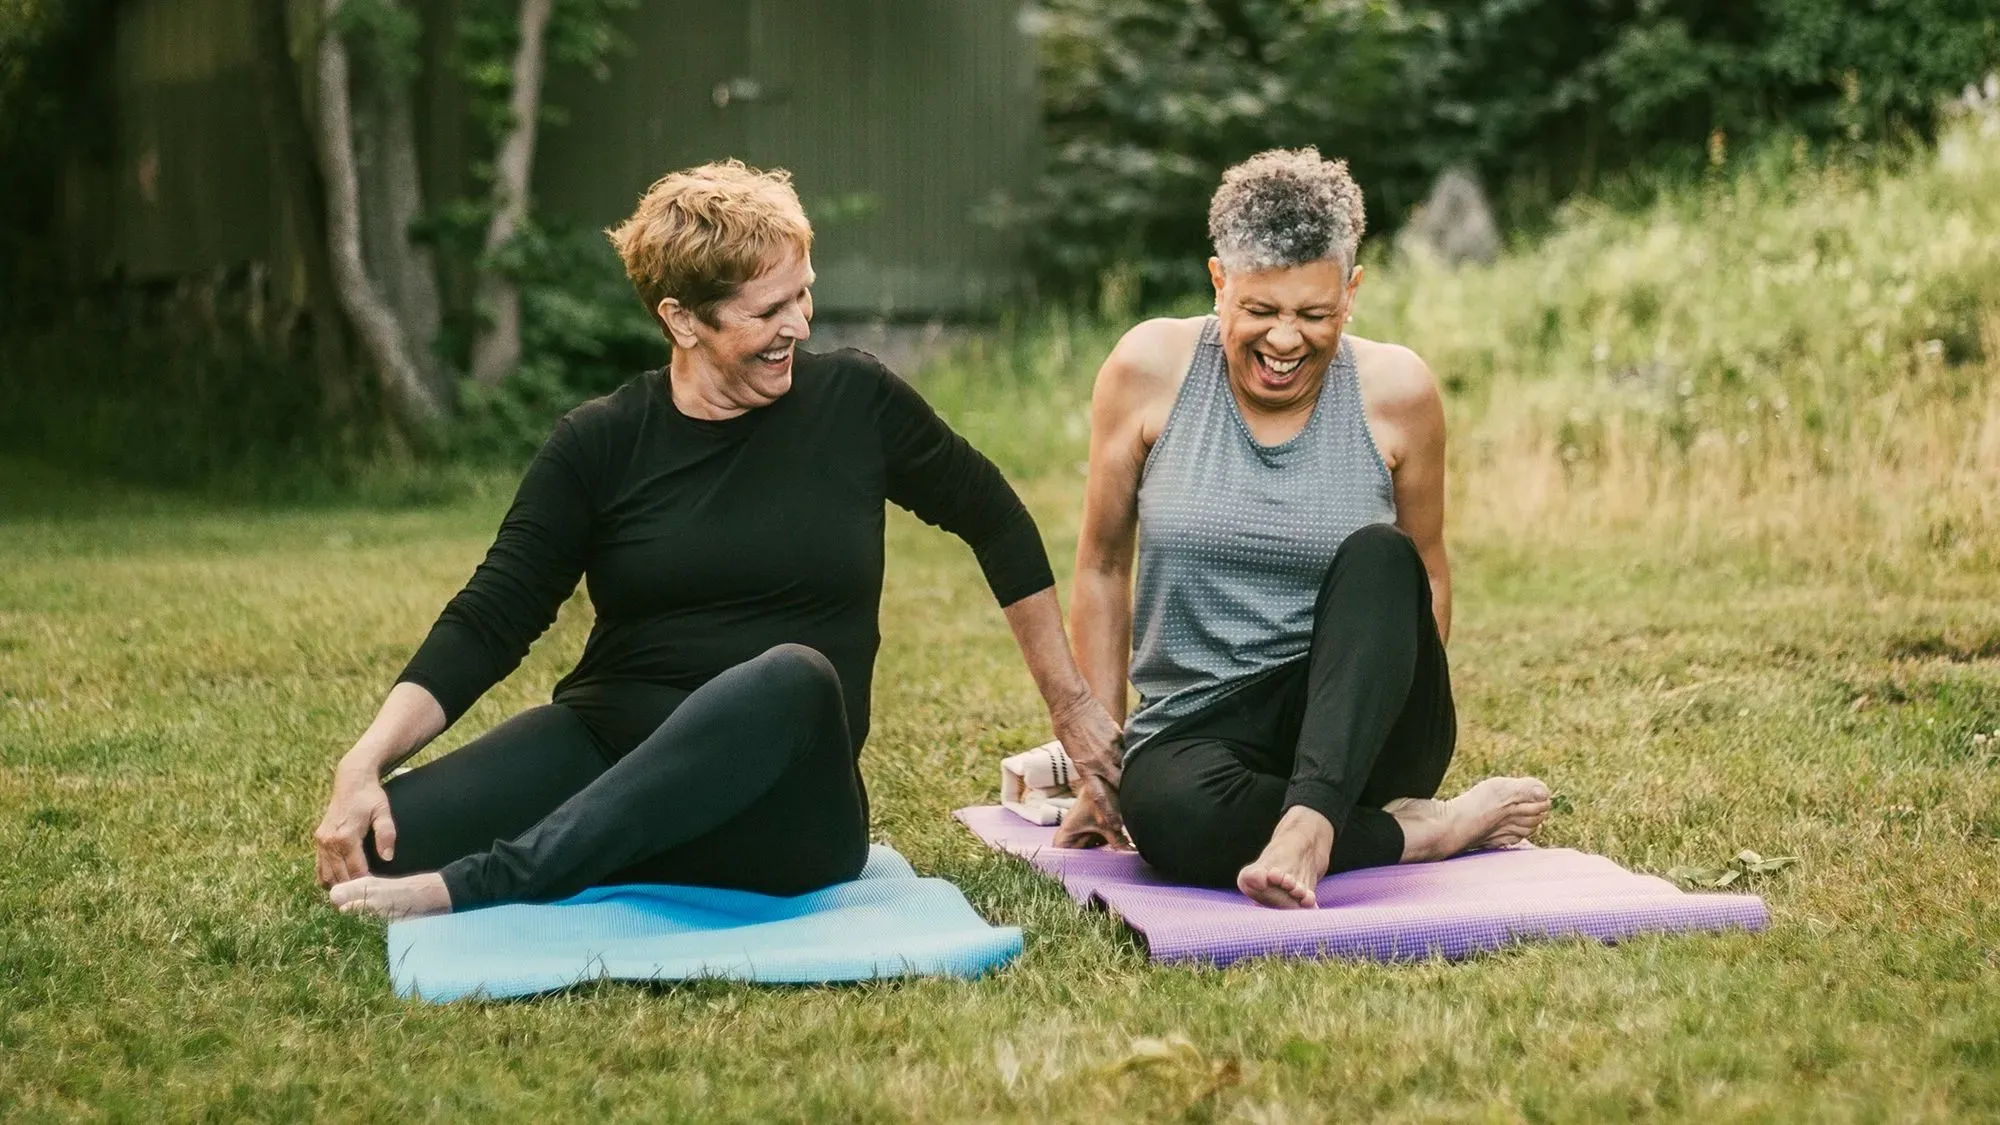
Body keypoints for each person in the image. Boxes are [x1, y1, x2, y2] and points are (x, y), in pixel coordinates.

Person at [314, 160, 1122, 919]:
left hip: (784, 800)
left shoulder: (855, 402)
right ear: (681, 319)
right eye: (768, 311)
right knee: (380, 845)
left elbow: (994, 517)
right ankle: (608, 842)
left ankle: (500, 878)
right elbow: (492, 615)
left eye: (802, 295)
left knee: (794, 674)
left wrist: (1073, 704)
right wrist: (365, 760)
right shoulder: (600, 442)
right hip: (611, 743)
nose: (798, 325)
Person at [1056, 148, 1552, 908]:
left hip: (1356, 722)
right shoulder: (1146, 370)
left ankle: (1317, 820)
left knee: (1383, 556)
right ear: (1219, 282)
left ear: (1350, 293)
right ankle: (1424, 832)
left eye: (1314, 315)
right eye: (1260, 311)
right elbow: (1101, 566)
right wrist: (1099, 766)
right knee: (1166, 815)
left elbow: (1425, 580)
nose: (1285, 341)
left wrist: (1359, 728)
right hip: (1203, 725)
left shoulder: (1399, 391)